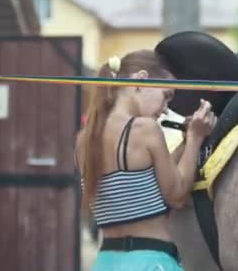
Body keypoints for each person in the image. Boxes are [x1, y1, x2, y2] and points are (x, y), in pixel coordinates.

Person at [75, 49, 216, 270]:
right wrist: (196, 138)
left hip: (106, 261)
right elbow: (176, 195)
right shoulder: (144, 129)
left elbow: (144, 182)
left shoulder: (85, 140)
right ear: (141, 80)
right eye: (166, 95)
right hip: (150, 261)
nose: (166, 108)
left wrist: (185, 140)